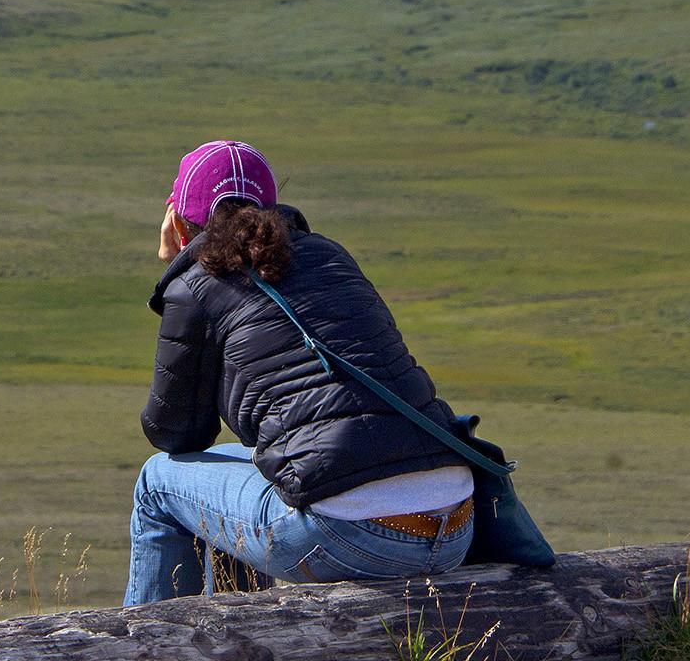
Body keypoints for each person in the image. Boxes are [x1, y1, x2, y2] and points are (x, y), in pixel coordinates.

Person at [125, 140, 475, 604]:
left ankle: (149, 644)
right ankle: (241, 631)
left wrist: (180, 270)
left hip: (351, 535)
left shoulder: (196, 286)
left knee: (157, 482)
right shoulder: (330, 254)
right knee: (240, 465)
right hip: (456, 523)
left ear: (177, 221)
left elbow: (175, 435)